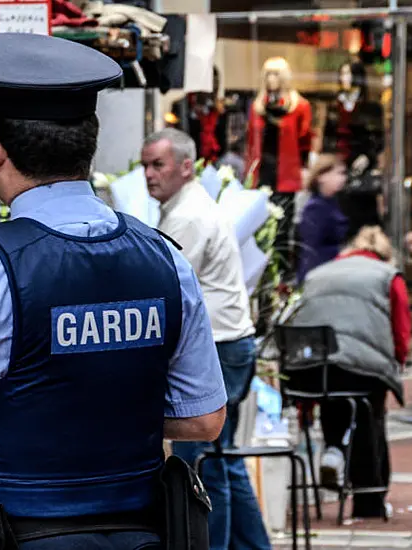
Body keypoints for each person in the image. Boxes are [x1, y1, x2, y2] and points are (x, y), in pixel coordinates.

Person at [0, 33, 227, 550]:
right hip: (140, 535)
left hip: (10, 534)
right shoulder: (164, 260)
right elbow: (203, 419)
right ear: (88, 142)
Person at [144, 128, 271, 550]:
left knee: (200, 463)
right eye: (145, 165)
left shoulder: (189, 216)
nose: (148, 174)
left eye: (157, 164)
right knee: (222, 460)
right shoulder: (186, 207)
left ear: (185, 166)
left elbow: (164, 286)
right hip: (230, 342)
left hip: (219, 345)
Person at [289, 225, 409, 520]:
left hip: (311, 370)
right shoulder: (386, 275)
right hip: (362, 370)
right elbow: (401, 328)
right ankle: (370, 502)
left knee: (334, 396)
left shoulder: (319, 274)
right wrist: (397, 364)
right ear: (383, 253)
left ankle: (333, 449)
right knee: (369, 418)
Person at [296, 154, 349, 284]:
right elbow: (312, 248)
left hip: (331, 271)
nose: (342, 178)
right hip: (319, 274)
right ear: (322, 176)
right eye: (338, 173)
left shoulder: (333, 202)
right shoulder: (315, 207)